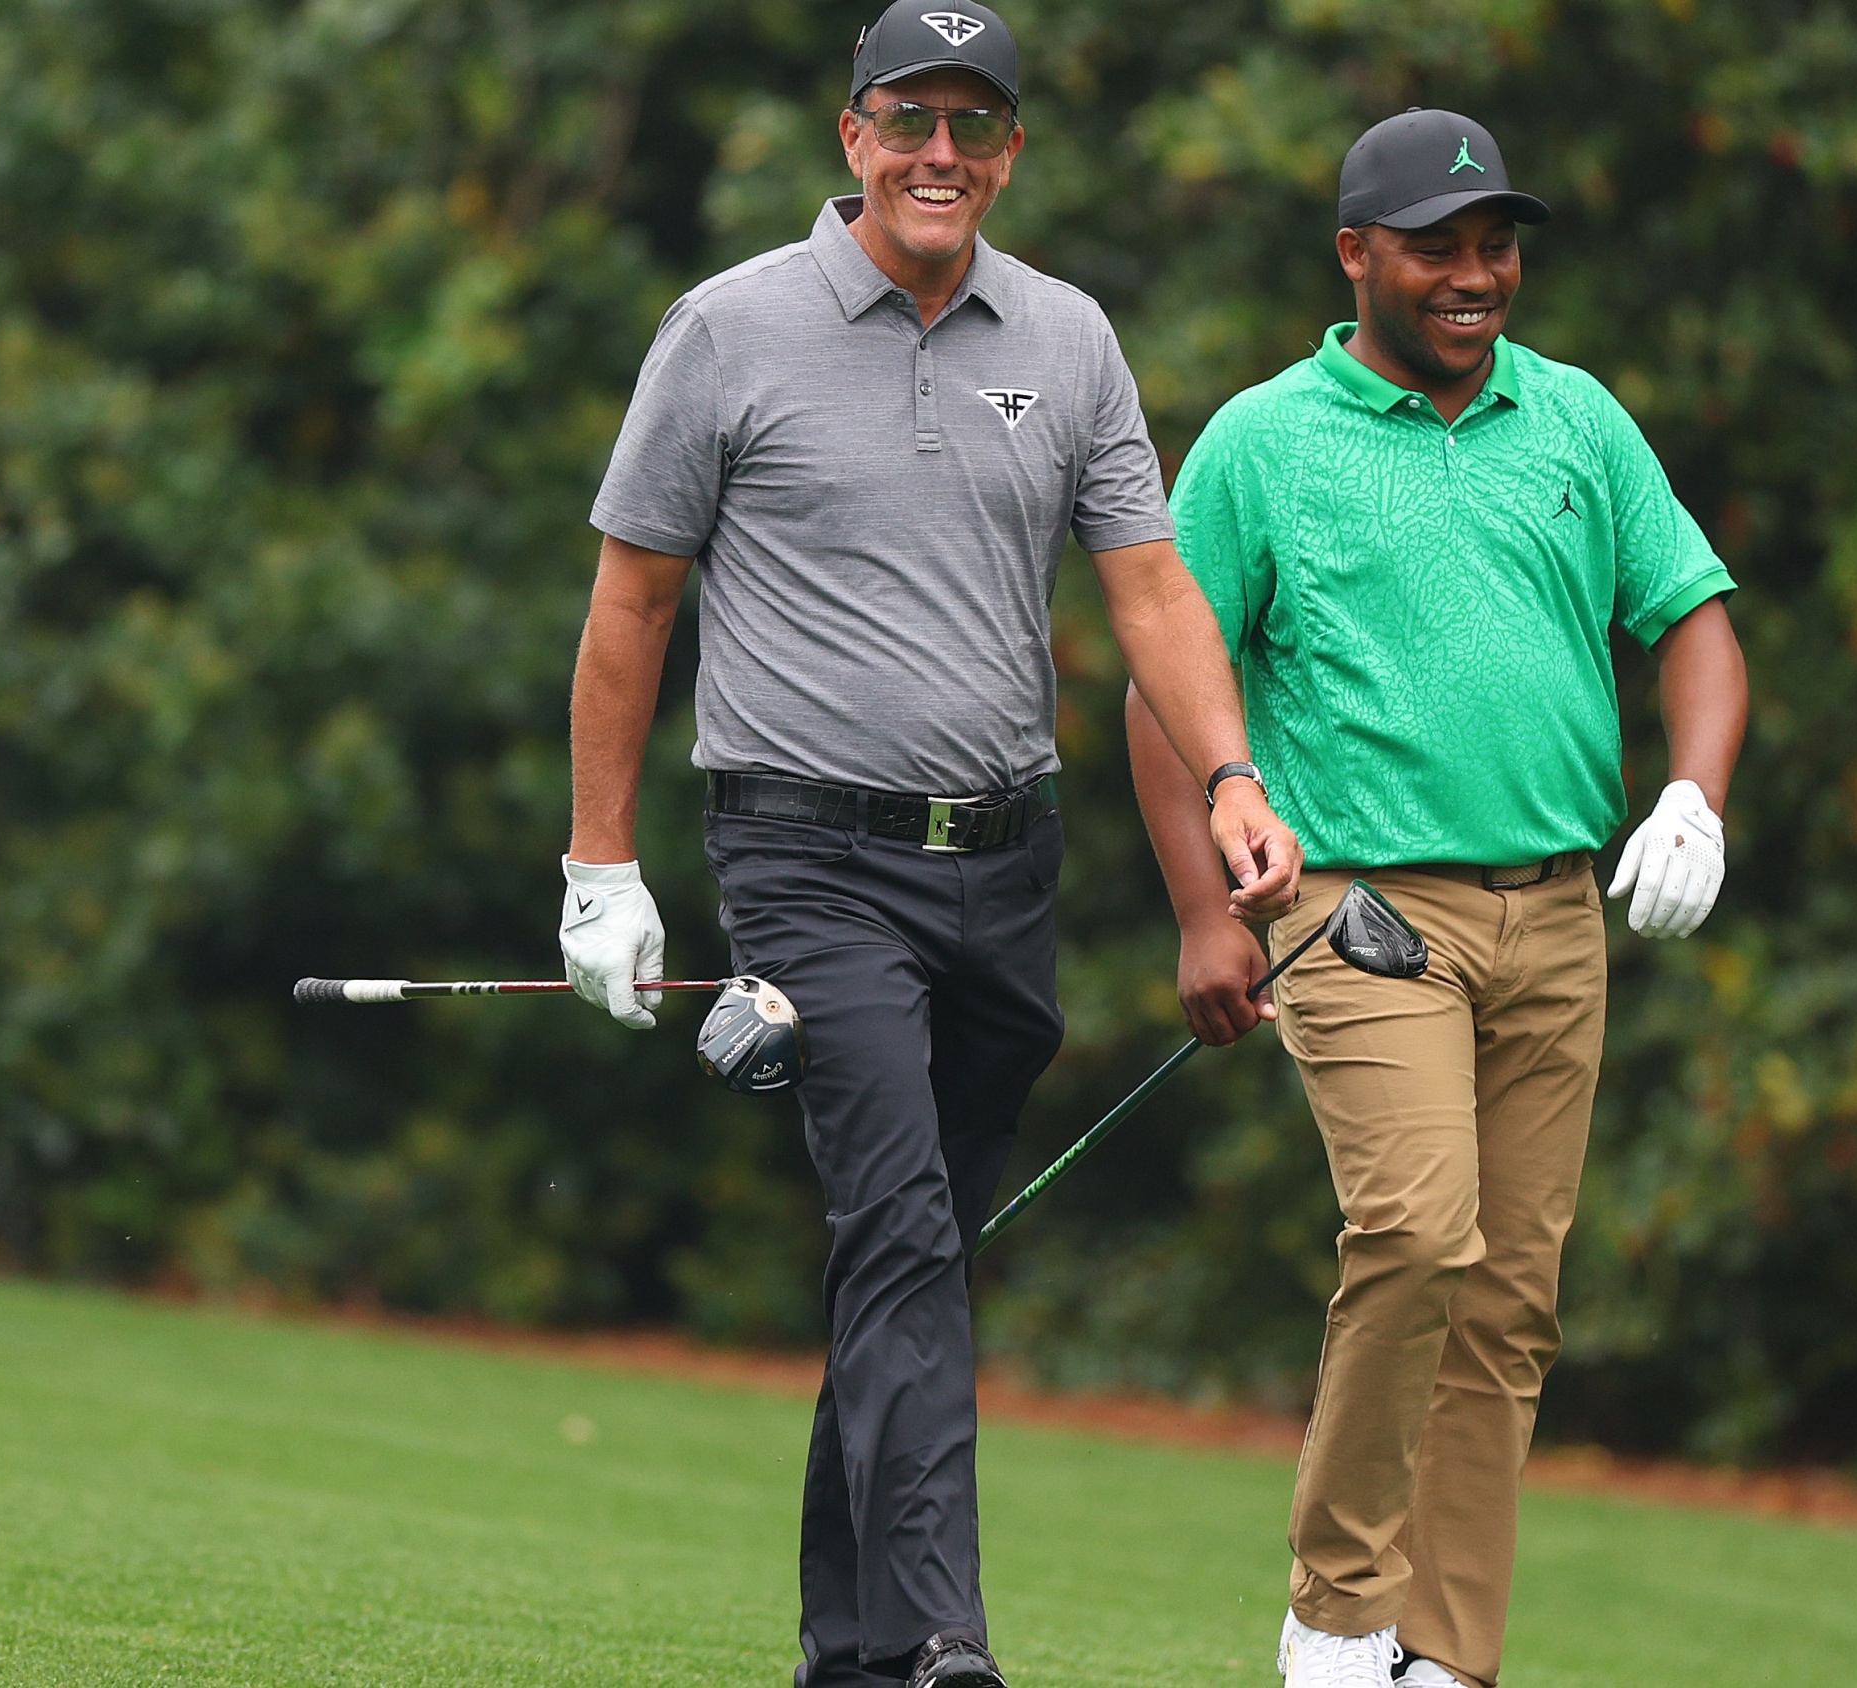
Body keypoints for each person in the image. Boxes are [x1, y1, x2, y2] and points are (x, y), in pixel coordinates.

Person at [558, 5, 1301, 1685]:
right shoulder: (726, 330)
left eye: (974, 124)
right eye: (910, 120)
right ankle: (943, 1644)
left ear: (1013, 150)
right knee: (899, 1236)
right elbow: (632, 600)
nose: (940, 155)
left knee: (915, 1260)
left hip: (1004, 868)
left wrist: (1236, 778)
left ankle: (847, 1655)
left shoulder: (1071, 334)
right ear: (852, 136)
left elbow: (1152, 587)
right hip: (805, 860)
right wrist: (600, 863)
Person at [1125, 109, 1749, 1688]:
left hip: (1554, 913)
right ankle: (1336, 1623)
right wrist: (1207, 910)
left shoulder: (1579, 420)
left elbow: (1694, 623)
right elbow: (1162, 678)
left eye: (1495, 244)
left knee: (1512, 1302)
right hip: (1354, 907)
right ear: (1356, 257)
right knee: (1416, 1231)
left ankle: (1446, 1660)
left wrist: (1695, 795)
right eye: (1438, 246)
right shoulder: (1268, 441)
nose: (1476, 275)